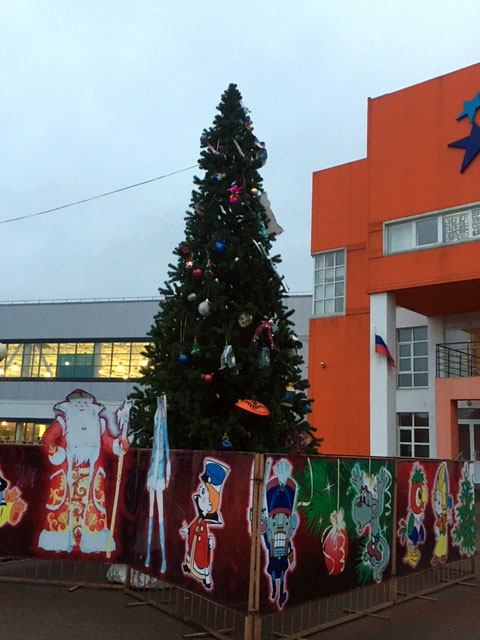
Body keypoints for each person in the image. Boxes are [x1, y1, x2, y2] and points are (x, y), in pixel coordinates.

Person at [38, 389, 129, 553]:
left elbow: (107, 443)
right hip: (67, 474)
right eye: (78, 403)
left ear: (91, 407)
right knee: (62, 509)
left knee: (93, 508)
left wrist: (118, 445)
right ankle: (59, 541)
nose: (81, 406)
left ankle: (93, 542)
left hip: (91, 476)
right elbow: (48, 438)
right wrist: (57, 453)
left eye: (85, 403)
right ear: (70, 406)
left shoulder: (98, 424)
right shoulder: (64, 422)